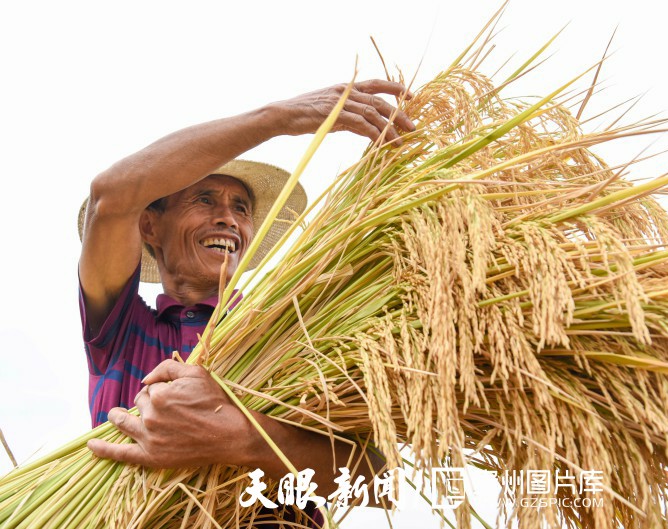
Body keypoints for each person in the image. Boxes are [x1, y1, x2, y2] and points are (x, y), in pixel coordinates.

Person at [76, 80, 415, 522]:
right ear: (149, 228)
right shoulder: (119, 330)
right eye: (204, 199)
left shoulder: (292, 331)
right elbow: (111, 194)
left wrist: (244, 436)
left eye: (241, 207)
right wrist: (278, 119)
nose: (228, 219)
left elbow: (381, 483)